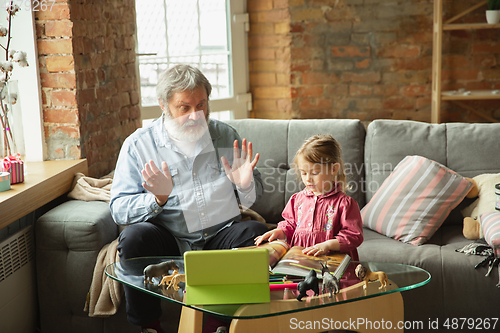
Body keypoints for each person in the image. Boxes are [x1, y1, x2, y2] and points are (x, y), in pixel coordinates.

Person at [110, 64, 268, 333]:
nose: (196, 115)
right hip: (168, 238)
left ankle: (224, 323)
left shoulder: (225, 135)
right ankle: (150, 327)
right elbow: (118, 209)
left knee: (255, 233)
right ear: (163, 105)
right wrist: (156, 200)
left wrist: (244, 186)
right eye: (185, 107)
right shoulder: (138, 145)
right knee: (133, 238)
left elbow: (256, 195)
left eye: (201, 105)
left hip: (221, 234)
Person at [254, 134, 363, 261]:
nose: (308, 178)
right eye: (303, 173)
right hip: (300, 260)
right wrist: (279, 232)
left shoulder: (345, 204)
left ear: (334, 169)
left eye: (315, 173)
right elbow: (289, 224)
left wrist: (327, 245)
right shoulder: (297, 200)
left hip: (331, 261)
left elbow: (353, 236)